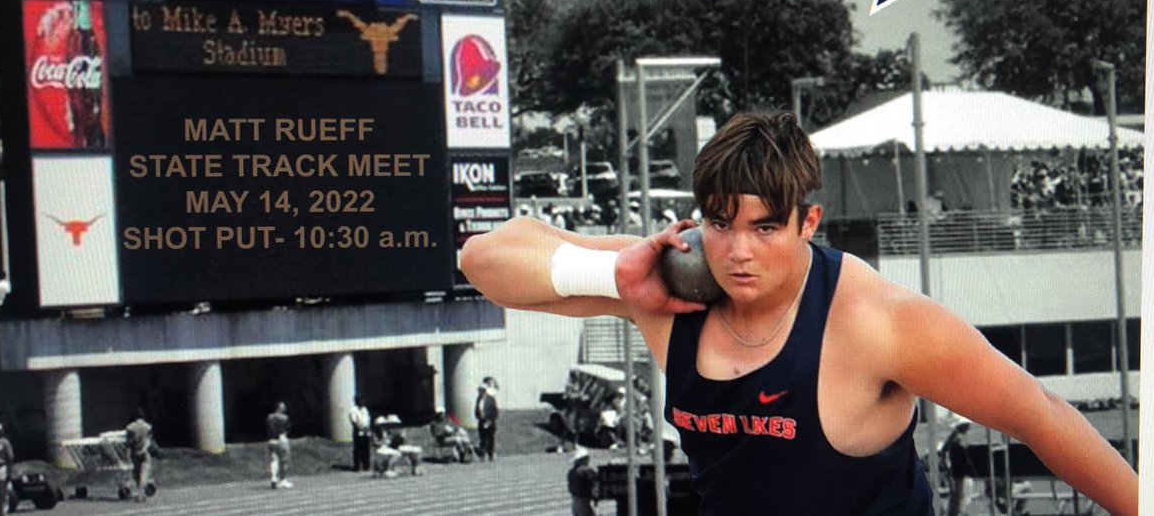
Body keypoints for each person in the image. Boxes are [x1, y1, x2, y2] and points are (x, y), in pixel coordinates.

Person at [459, 110, 1138, 515]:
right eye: (721, 224)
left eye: (764, 227)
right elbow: (482, 260)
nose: (738, 251)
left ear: (808, 220)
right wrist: (612, 272)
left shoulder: (879, 322)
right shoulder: (668, 287)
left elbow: (1039, 414)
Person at [940, 416, 976, 516]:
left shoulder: (953, 437)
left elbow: (944, 452)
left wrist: (947, 469)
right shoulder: (959, 439)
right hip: (962, 475)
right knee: (961, 504)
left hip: (956, 474)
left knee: (955, 504)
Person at [124, 409, 156, 501]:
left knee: (136, 474)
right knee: (144, 474)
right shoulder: (147, 427)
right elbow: (149, 440)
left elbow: (128, 443)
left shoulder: (130, 428)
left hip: (134, 452)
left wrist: (127, 455)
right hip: (144, 452)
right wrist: (145, 448)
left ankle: (139, 492)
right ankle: (141, 495)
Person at [266, 402, 292, 489]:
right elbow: (287, 429)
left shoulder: (269, 417)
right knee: (284, 461)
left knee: (274, 460)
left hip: (271, 440)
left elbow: (269, 428)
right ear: (281, 408)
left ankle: (274, 478)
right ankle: (283, 480)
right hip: (281, 440)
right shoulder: (285, 418)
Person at [566, 447, 597, 516]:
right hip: (584, 502)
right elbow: (595, 483)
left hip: (574, 502)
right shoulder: (587, 470)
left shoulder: (571, 472)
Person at [474, 380, 499, 461]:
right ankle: (482, 454)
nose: (479, 392)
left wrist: (490, 420)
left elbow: (494, 411)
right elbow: (477, 411)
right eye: (479, 390)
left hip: (490, 421)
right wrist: (479, 417)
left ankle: (490, 454)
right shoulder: (479, 399)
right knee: (483, 439)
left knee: (491, 438)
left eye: (481, 390)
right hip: (482, 422)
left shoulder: (491, 399)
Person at [348, 396, 371, 472]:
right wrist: (359, 428)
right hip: (358, 431)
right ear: (357, 401)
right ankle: (357, 466)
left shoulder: (365, 410)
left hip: (366, 431)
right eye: (361, 400)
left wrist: (368, 428)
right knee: (358, 449)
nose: (363, 402)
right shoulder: (353, 410)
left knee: (366, 449)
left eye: (363, 400)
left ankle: (366, 465)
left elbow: (367, 420)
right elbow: (354, 421)